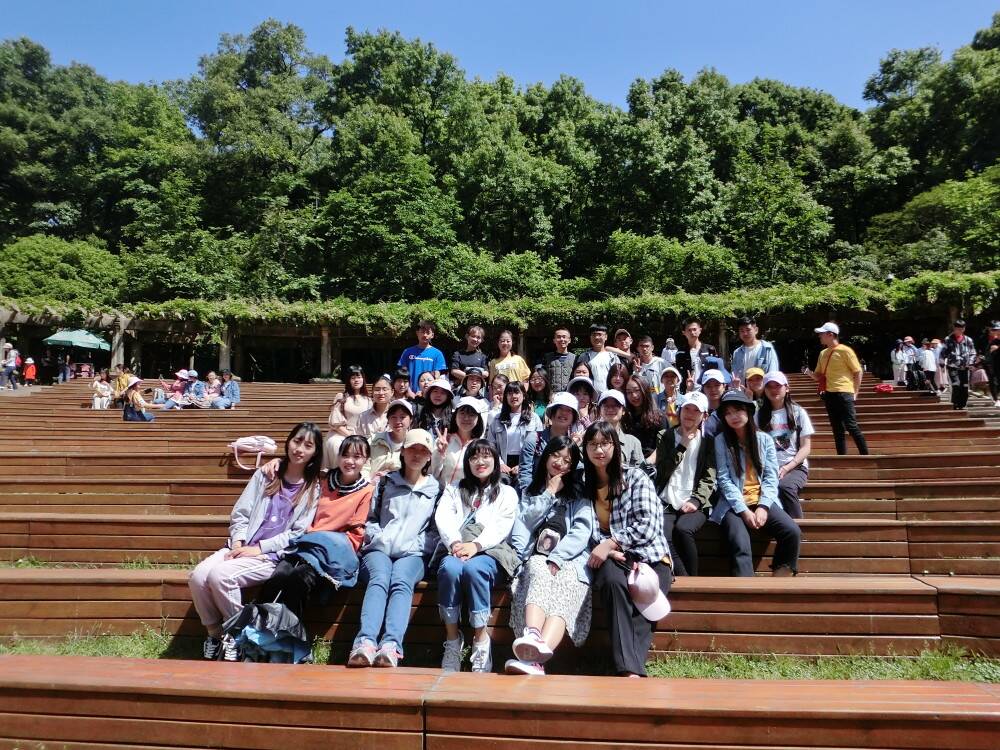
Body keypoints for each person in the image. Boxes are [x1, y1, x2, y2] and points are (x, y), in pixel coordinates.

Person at [189, 422, 322, 661]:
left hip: (270, 556)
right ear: (288, 442)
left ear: (315, 452)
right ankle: (217, 635)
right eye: (296, 441)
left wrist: (258, 548)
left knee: (221, 576)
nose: (300, 449)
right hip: (241, 545)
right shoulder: (265, 474)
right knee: (198, 577)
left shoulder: (312, 488)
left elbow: (296, 533)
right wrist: (238, 543)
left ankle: (241, 637)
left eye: (308, 445)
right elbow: (241, 512)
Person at [582, 421, 671, 677]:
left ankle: (628, 669)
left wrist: (612, 543)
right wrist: (608, 550)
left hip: (650, 556)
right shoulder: (584, 484)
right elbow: (584, 528)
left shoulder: (635, 477)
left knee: (644, 599)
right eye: (593, 444)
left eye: (605, 443)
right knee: (612, 582)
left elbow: (649, 524)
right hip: (613, 558)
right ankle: (631, 671)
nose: (599, 450)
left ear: (616, 446)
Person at [348, 429, 441, 668]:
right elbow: (370, 519)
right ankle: (365, 642)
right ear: (403, 452)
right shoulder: (386, 482)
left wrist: (412, 546)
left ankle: (391, 646)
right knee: (379, 578)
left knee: (401, 580)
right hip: (379, 549)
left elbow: (434, 531)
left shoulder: (436, 489)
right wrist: (380, 538)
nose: (417, 455)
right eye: (412, 449)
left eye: (423, 450)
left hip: (414, 554)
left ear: (429, 456)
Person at [255, 436, 374, 621]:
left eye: (357, 457)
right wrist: (277, 461)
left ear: (366, 460)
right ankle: (258, 628)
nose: (350, 461)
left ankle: (287, 633)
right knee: (278, 576)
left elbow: (356, 535)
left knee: (299, 579)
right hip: (303, 544)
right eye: (345, 455)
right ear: (338, 456)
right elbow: (295, 466)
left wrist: (324, 541)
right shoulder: (322, 479)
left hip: (330, 553)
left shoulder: (367, 491)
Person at [506, 436, 594, 675]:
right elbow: (523, 526)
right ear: (545, 456)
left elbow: (581, 532)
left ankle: (533, 661)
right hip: (536, 558)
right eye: (556, 455)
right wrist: (549, 493)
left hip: (572, 561)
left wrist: (558, 556)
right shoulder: (531, 491)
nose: (560, 462)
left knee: (566, 584)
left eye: (567, 460)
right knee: (537, 565)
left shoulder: (579, 495)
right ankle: (533, 636)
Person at [436, 439, 519, 672]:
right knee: (449, 569)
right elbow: (443, 517)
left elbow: (502, 526)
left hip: (491, 551)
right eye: (474, 457)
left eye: (486, 456)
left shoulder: (507, 492)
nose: (480, 462)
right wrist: (455, 543)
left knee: (474, 570)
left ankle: (481, 641)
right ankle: (453, 640)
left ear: (495, 460)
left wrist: (476, 545)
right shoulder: (454, 489)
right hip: (457, 548)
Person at [712, 391, 801, 576]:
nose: (733, 416)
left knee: (791, 531)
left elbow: (771, 476)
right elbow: (723, 479)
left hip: (761, 497)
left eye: (738, 410)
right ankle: (746, 588)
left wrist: (763, 506)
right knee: (739, 542)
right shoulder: (721, 441)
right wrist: (743, 511)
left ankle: (781, 578)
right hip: (733, 503)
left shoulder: (764, 439)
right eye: (728, 413)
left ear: (748, 411)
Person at [654, 391, 715, 576]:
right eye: (687, 408)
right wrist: (682, 445)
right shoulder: (665, 436)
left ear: (704, 416)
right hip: (667, 499)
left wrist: (696, 500)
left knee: (683, 529)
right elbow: (663, 470)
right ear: (679, 411)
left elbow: (709, 477)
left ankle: (692, 581)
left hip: (695, 501)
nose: (690, 414)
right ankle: (687, 580)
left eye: (696, 411)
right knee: (662, 534)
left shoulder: (708, 442)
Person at [805, 322, 868, 455]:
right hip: (829, 394)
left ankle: (865, 456)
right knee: (837, 429)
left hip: (845, 393)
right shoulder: (823, 353)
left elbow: (858, 371)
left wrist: (855, 392)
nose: (819, 336)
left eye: (822, 334)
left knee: (851, 426)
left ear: (830, 335)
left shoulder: (845, 351)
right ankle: (841, 458)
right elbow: (818, 376)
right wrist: (808, 372)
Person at [756, 371, 813, 518]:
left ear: (786, 388)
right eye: (769, 386)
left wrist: (787, 467)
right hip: (768, 468)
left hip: (795, 467)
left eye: (778, 386)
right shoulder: (759, 415)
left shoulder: (798, 412)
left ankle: (797, 528)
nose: (774, 390)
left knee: (784, 487)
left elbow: (806, 447)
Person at [519, 391, 581, 495]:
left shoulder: (574, 443)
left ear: (573, 418)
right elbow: (525, 473)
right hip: (535, 494)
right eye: (560, 408)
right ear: (551, 413)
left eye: (569, 410)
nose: (564, 413)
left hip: (562, 496)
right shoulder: (534, 439)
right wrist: (529, 498)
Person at [486, 381, 542, 488]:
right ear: (506, 397)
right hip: (502, 463)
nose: (513, 396)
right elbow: (490, 446)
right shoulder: (497, 419)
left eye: (517, 392)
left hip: (526, 464)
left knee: (522, 485)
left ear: (524, 396)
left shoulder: (534, 419)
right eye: (510, 393)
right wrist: (500, 463)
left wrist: (523, 465)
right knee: (500, 486)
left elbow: (539, 446)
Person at [433, 395, 489, 485]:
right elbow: (432, 474)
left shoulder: (480, 447)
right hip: (440, 491)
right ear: (455, 416)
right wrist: (439, 454)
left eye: (471, 414)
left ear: (478, 419)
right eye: (462, 413)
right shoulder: (444, 441)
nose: (466, 418)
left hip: (464, 492)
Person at [325, 365, 373, 466]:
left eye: (359, 377)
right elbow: (336, 424)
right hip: (342, 434)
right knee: (338, 446)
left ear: (363, 379)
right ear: (348, 380)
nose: (356, 380)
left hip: (362, 435)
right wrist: (351, 436)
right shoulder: (341, 397)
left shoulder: (368, 400)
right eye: (353, 377)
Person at [596, 390, 647, 471]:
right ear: (599, 410)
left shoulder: (633, 442)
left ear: (623, 411)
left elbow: (640, 472)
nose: (610, 409)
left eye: (615, 405)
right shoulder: (591, 438)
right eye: (606, 406)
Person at [398, 320, 446, 396]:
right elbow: (403, 374)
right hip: (410, 394)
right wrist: (408, 391)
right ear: (417, 333)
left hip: (429, 395)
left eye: (428, 332)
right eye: (422, 332)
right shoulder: (407, 352)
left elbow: (437, 376)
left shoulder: (437, 354)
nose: (425, 335)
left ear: (432, 335)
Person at [573, 324, 622, 396]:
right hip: (590, 396)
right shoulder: (583, 357)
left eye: (599, 334)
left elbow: (619, 376)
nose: (596, 337)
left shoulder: (613, 357)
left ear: (606, 337)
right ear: (590, 337)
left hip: (609, 396)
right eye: (594, 335)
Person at [368, 399, 413, 477]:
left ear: (411, 420)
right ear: (388, 420)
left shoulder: (414, 443)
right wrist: (368, 480)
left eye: (402, 417)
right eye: (393, 417)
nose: (398, 421)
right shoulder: (374, 439)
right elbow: (364, 465)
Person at [623, 375, 664, 459]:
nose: (634, 395)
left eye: (637, 390)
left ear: (645, 390)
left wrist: (648, 462)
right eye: (629, 392)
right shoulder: (624, 417)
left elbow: (664, 445)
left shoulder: (660, 418)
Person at [730, 317, 779, 384]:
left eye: (748, 330)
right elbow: (734, 375)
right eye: (742, 331)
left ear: (756, 330)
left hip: (762, 388)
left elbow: (773, 373)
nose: (745, 333)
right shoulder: (737, 352)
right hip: (742, 389)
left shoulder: (767, 348)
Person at [674, 318, 717, 394]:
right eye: (689, 330)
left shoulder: (710, 349)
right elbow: (678, 374)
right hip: (687, 390)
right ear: (684, 332)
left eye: (694, 329)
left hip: (707, 391)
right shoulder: (680, 353)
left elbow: (716, 370)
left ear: (700, 330)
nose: (692, 332)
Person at [942, 319, 977, 410]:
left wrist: (971, 362)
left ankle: (962, 405)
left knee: (964, 386)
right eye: (957, 329)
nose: (959, 331)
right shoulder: (948, 339)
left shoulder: (968, 340)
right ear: (954, 328)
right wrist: (941, 362)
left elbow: (973, 352)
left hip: (965, 367)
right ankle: (955, 403)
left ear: (964, 329)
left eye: (961, 329)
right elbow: (943, 352)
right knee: (956, 384)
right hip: (952, 366)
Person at [450, 325, 489, 390]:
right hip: (460, 388)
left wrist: (470, 377)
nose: (475, 339)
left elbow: (486, 373)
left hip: (477, 389)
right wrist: (471, 377)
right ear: (467, 336)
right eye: (473, 336)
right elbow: (454, 371)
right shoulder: (458, 354)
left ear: (481, 340)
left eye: (478, 337)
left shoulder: (483, 356)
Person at [539, 327, 575, 394]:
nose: (561, 339)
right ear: (554, 340)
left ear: (569, 340)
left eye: (564, 337)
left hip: (570, 395)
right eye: (558, 337)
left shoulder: (575, 358)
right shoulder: (547, 358)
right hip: (552, 395)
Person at [984, 322, 1000, 407]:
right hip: (995, 366)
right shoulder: (993, 342)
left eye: (997, 330)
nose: (996, 332)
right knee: (994, 382)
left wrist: (997, 348)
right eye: (995, 330)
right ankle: (996, 399)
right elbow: (988, 354)